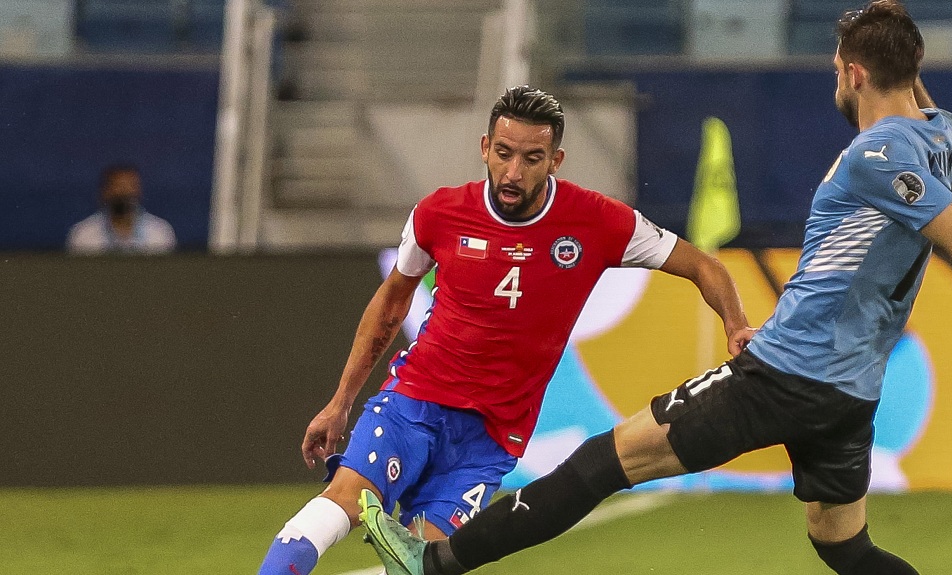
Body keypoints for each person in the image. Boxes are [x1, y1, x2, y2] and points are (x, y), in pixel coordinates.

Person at [356, 3, 952, 575]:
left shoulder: (879, 152)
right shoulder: (943, 131)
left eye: (835, 67)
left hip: (788, 370)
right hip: (850, 392)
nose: (834, 78)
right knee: (841, 542)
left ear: (852, 73)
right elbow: (933, 142)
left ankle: (435, 564)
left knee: (602, 461)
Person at [256, 85, 754, 575]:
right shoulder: (439, 213)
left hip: (492, 438)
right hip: (416, 400)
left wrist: (735, 326)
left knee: (423, 567)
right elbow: (391, 303)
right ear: (484, 148)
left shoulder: (597, 221)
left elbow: (703, 265)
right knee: (340, 503)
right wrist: (340, 401)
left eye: (532, 158)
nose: (513, 172)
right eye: (503, 153)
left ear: (556, 160)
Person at [66, 164, 177, 255]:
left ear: (140, 192)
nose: (125, 193)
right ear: (105, 193)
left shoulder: (160, 233)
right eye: (118, 187)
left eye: (131, 187)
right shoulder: (83, 234)